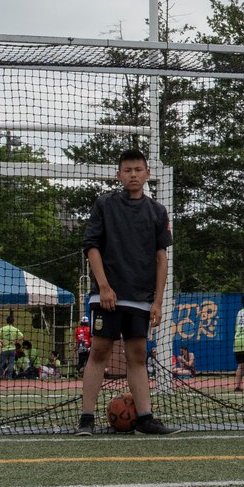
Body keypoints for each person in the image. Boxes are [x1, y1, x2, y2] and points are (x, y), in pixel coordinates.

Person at [78, 147, 176, 435]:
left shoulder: (157, 212)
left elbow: (161, 258)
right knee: (100, 350)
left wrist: (157, 301)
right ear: (118, 174)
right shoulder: (105, 205)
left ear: (147, 173)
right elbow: (91, 247)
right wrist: (105, 287)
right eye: (127, 170)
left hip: (141, 298)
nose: (133, 174)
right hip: (107, 295)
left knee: (137, 354)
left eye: (138, 169)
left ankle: (145, 418)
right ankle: (86, 418)